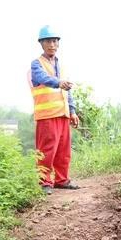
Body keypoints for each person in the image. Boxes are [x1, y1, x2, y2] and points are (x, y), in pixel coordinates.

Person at [29, 25, 80, 194]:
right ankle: (45, 182)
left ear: (58, 44)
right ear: (42, 44)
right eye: (48, 41)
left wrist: (72, 111)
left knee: (63, 151)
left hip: (63, 114)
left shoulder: (61, 65)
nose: (52, 44)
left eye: (55, 41)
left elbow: (67, 90)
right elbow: (41, 78)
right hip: (47, 116)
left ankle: (62, 180)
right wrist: (58, 82)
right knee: (46, 150)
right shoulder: (37, 64)